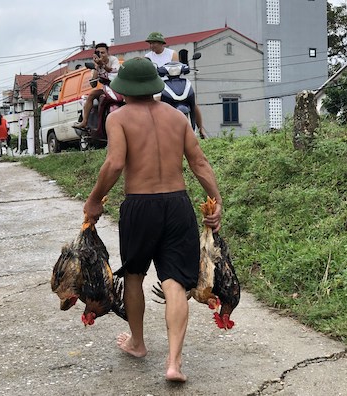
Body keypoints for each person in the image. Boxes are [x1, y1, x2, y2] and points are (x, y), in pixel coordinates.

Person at [83, 57, 222, 382]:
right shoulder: (177, 118)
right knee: (175, 282)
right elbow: (199, 163)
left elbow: (115, 163)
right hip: (177, 205)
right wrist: (217, 201)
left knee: (134, 276)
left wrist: (93, 200)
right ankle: (174, 363)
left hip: (140, 206)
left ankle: (138, 342)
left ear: (124, 90)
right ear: (155, 87)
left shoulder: (118, 118)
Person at [145, 32, 208, 138]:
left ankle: (201, 129)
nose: (151, 45)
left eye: (154, 43)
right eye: (150, 43)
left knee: (193, 102)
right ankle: (153, 131)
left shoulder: (171, 53)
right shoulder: (148, 57)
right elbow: (147, 70)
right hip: (158, 85)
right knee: (154, 103)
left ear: (161, 43)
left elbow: (177, 67)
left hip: (174, 82)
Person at [73, 43, 120, 130]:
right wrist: (97, 66)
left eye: (103, 52)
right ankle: (84, 122)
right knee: (92, 95)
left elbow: (114, 71)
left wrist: (103, 64)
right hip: (106, 88)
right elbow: (93, 84)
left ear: (107, 53)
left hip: (117, 87)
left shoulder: (113, 60)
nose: (101, 55)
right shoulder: (95, 64)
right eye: (99, 53)